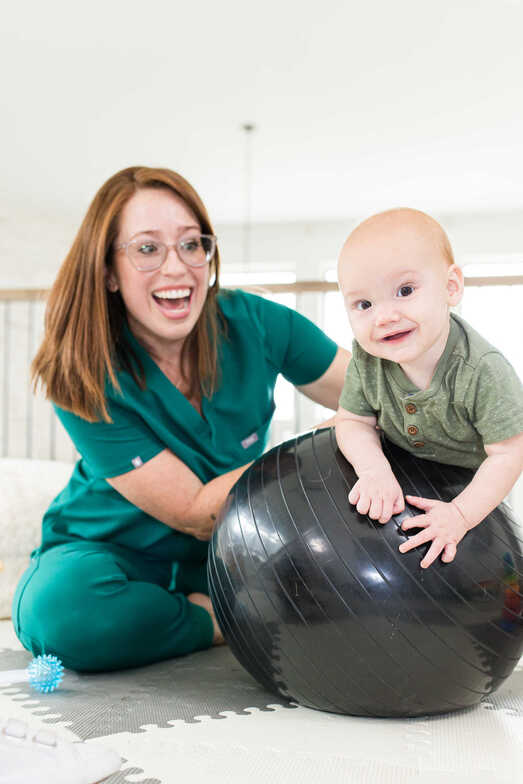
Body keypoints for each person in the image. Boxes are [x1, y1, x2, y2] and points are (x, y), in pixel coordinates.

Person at [12, 166, 350, 672]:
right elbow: (194, 513)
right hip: (110, 554)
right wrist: (321, 441)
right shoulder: (80, 370)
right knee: (57, 614)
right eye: (148, 249)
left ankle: (215, 608)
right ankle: (215, 623)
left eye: (192, 245)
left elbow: (372, 392)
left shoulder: (258, 323)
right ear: (108, 271)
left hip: (226, 555)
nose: (178, 267)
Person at [335, 207, 523, 569]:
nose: (384, 316)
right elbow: (352, 420)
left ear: (451, 287)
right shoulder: (366, 357)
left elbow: (510, 453)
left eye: (405, 291)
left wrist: (461, 516)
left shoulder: (481, 370)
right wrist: (373, 470)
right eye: (364, 304)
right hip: (403, 470)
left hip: (467, 486)